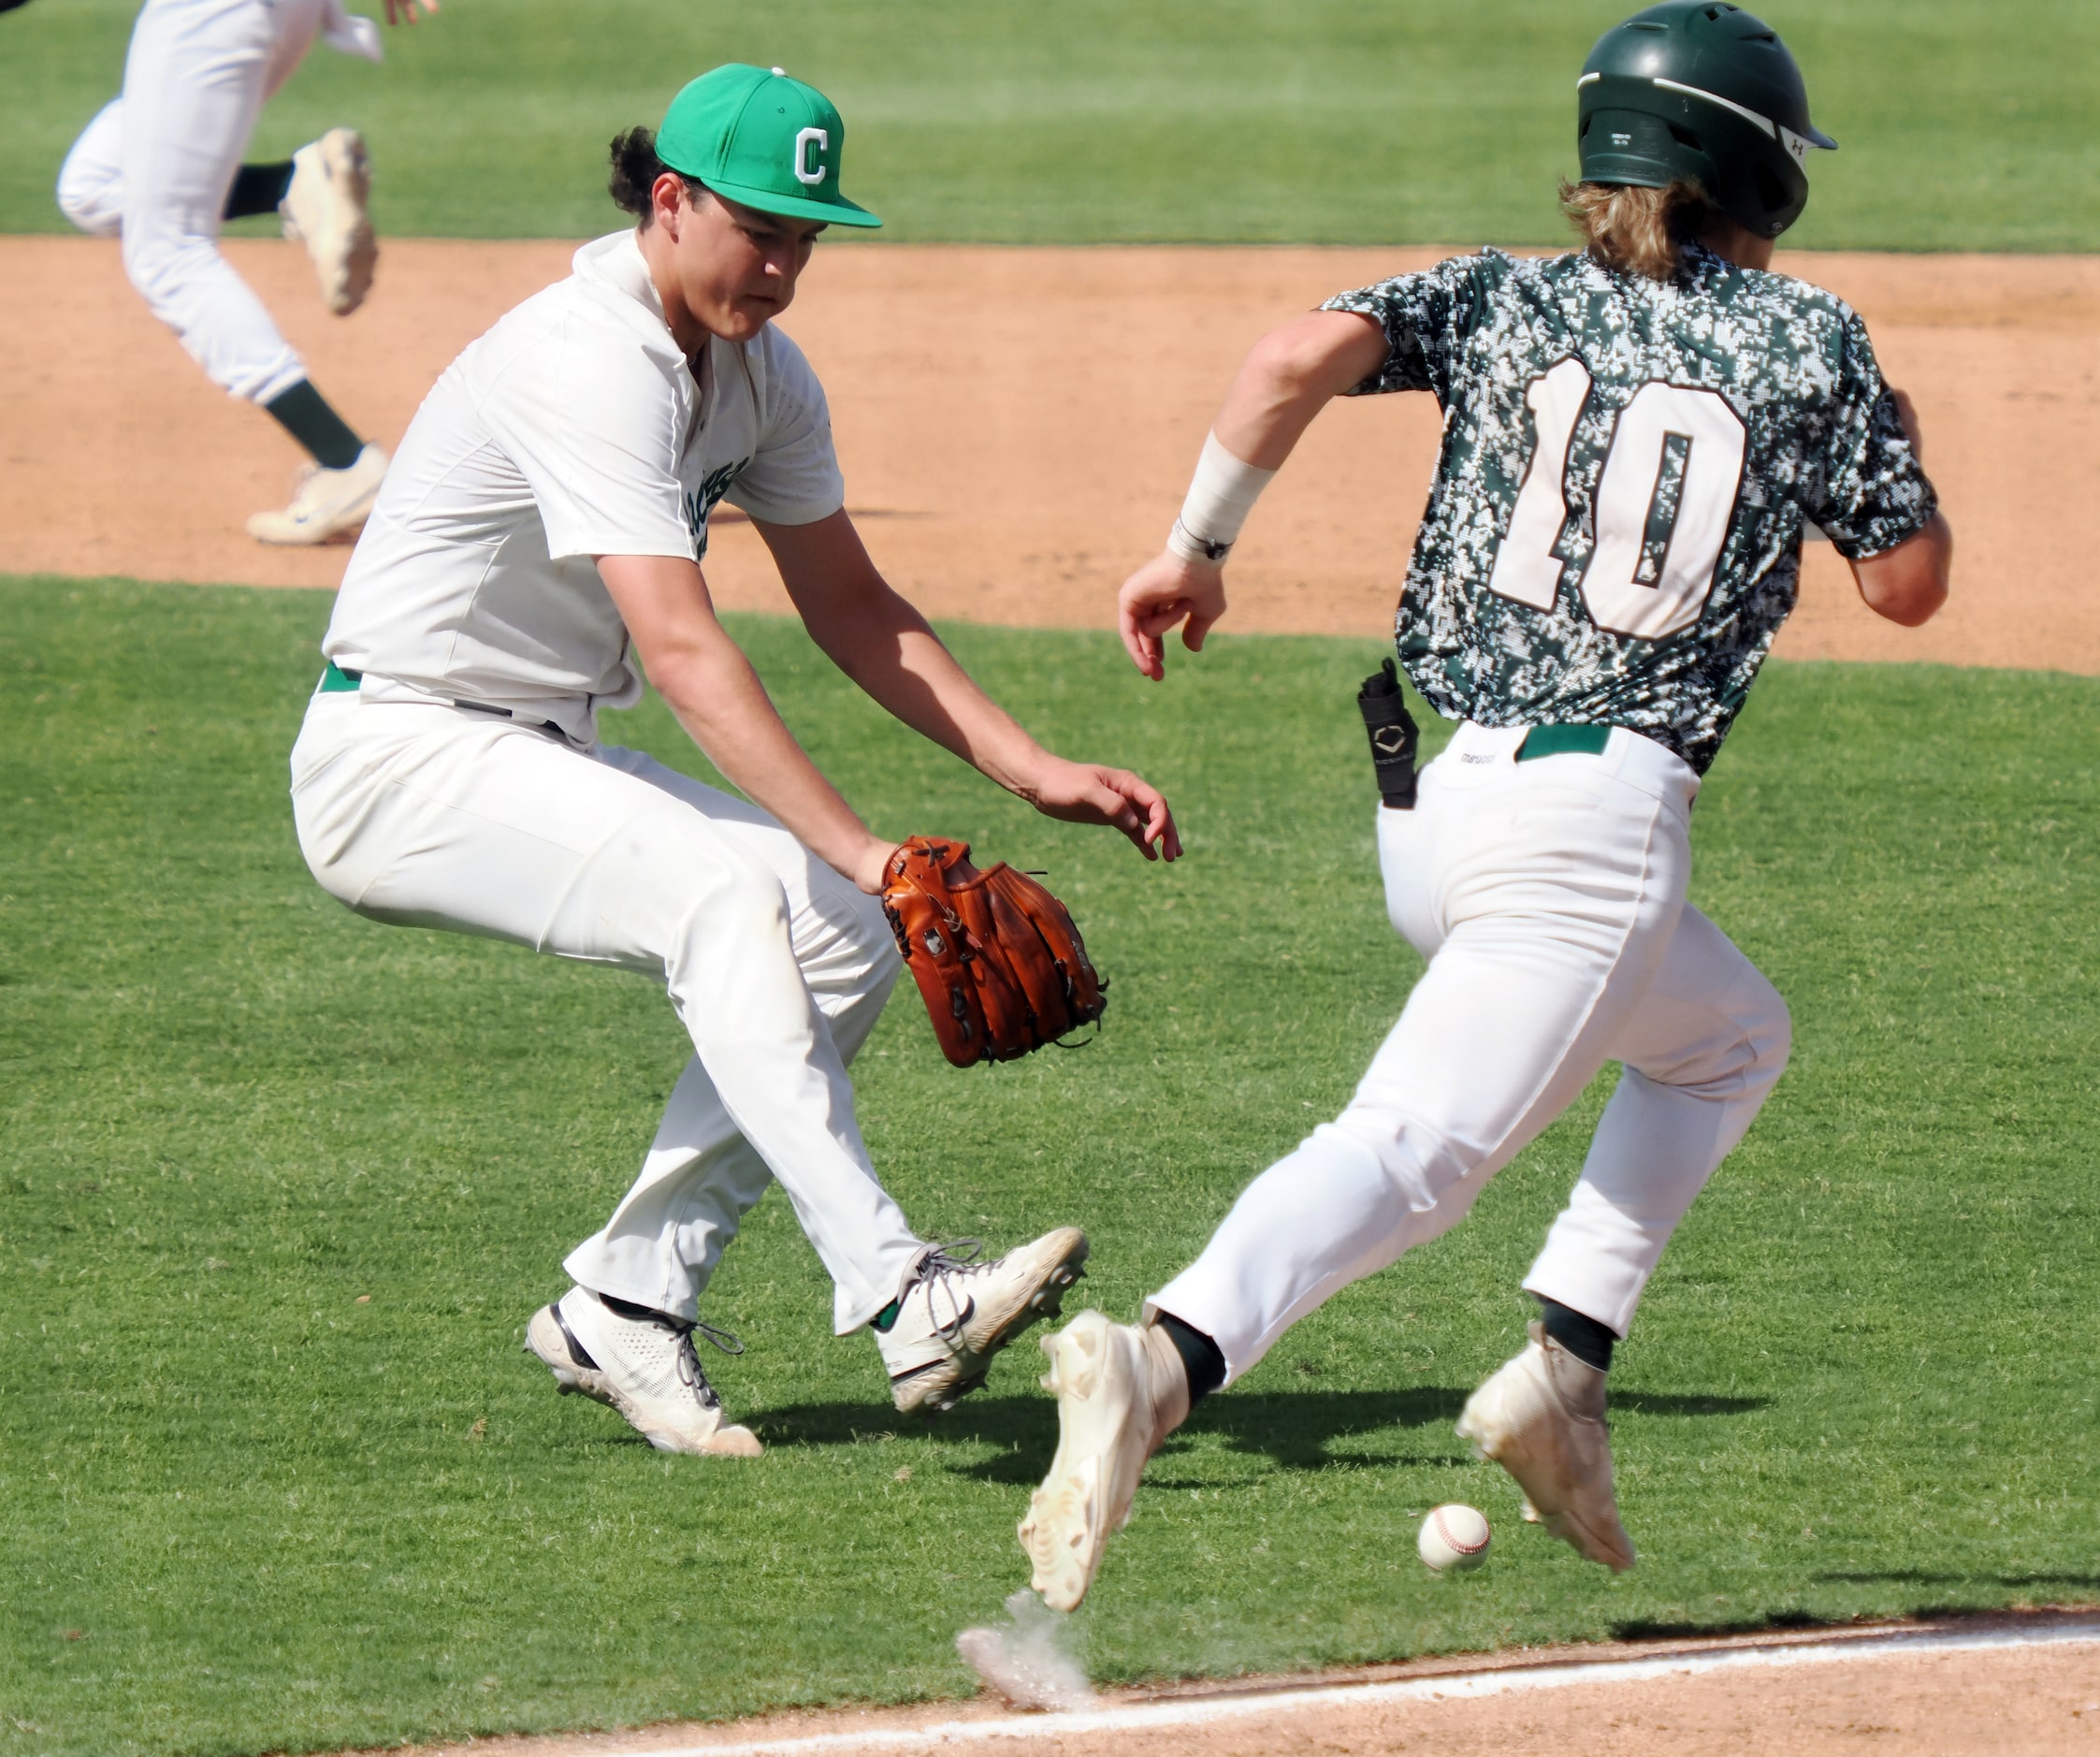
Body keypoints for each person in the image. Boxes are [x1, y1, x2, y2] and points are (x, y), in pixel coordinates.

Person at [1021, 0, 1952, 1608]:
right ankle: (1162, 1358)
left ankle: (1561, 1377)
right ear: (1759, 172)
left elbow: (1285, 355)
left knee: (1728, 1034)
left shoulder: (1491, 291)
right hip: (1594, 834)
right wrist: (1880, 437)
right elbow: (1909, 588)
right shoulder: (1814, 341)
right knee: (1416, 1151)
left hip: (1434, 806)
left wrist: (1197, 548)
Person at [289, 65, 1180, 1459]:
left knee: (841, 932)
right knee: (732, 896)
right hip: (397, 755)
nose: (781, 264)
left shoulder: (761, 372)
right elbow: (687, 649)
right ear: (669, 199)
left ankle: (626, 1306)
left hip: (533, 744)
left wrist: (1030, 766)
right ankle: (900, 1291)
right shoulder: (586, 355)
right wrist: (874, 846)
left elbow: (852, 605)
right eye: (758, 227)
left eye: (806, 237)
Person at [55, 0, 434, 545]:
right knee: (93, 187)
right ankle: (292, 185)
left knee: (167, 252)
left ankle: (347, 465)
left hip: (211, 15)